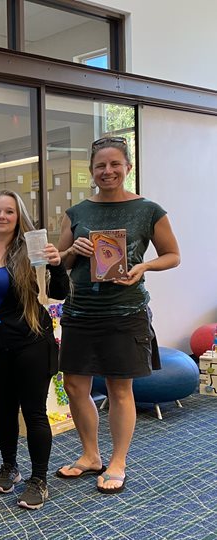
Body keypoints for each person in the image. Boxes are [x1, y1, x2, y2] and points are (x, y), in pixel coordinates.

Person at [55, 136, 180, 494]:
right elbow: (59, 260)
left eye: (114, 164)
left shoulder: (149, 210)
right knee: (75, 385)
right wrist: (72, 251)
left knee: (119, 387)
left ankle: (118, 461)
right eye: (100, 166)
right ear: (92, 171)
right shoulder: (77, 212)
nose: (107, 171)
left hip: (126, 312)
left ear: (128, 167)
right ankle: (90, 455)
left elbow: (173, 255)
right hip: (80, 311)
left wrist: (144, 267)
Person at [0, 190, 69, 509]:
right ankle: (10, 466)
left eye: (8, 211)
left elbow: (60, 293)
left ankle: (39, 479)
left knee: (33, 413)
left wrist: (57, 265)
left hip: (30, 342)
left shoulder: (30, 251)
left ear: (18, 217)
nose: (1, 216)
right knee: (4, 409)